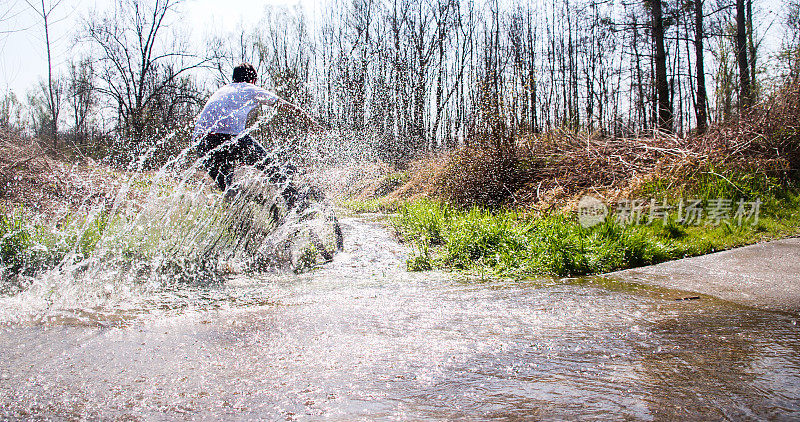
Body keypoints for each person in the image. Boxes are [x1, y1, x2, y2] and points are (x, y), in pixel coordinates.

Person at [193, 62, 316, 206]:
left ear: (234, 78)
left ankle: (242, 217)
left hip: (202, 144)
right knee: (273, 170)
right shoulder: (249, 88)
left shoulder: (222, 90)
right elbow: (283, 105)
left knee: (230, 190)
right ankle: (297, 204)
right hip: (231, 138)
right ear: (253, 80)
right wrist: (312, 124)